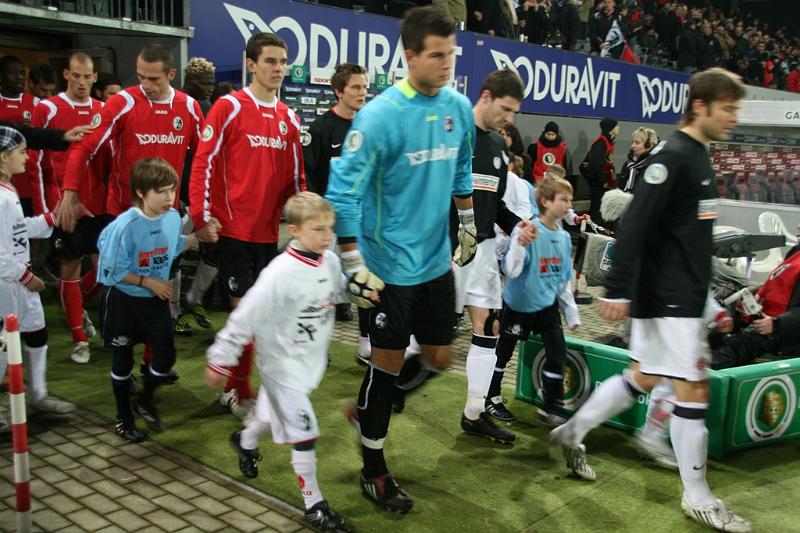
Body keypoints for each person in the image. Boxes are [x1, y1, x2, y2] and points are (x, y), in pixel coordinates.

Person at [549, 69, 752, 532]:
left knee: (644, 376)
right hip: (668, 299)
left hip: (677, 297)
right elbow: (637, 221)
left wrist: (708, 303)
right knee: (693, 390)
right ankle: (698, 496)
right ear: (700, 106)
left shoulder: (694, 155)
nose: (733, 118)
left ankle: (572, 432)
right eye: (728, 109)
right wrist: (618, 288)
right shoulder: (675, 156)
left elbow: (686, 240)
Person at [326, 6, 476, 513]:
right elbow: (342, 193)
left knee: (439, 358)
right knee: (384, 367)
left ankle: (377, 402)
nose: (446, 64)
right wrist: (351, 262)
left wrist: (469, 221)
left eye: (451, 55)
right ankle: (375, 469)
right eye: (436, 55)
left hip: (435, 265)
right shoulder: (380, 116)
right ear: (410, 55)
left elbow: (462, 171)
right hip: (385, 267)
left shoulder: (457, 107)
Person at [58, 44, 210, 370]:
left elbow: (204, 159)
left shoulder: (189, 107)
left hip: (166, 219)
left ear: (171, 74)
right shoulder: (123, 102)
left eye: (153, 79)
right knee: (123, 290)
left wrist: (200, 209)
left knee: (160, 295)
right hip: (124, 216)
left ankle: (151, 368)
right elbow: (85, 147)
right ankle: (118, 358)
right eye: (140, 76)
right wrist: (70, 193)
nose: (145, 85)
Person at [205, 192, 349, 531]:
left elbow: (337, 288)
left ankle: (245, 441)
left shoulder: (328, 261)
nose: (327, 236)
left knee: (272, 416)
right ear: (294, 230)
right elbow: (246, 315)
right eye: (318, 229)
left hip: (308, 363)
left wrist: (359, 288)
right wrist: (220, 358)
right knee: (305, 430)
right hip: (280, 364)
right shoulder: (279, 272)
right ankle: (314, 505)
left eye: (330, 228)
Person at [189, 32, 306, 419]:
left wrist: (304, 222)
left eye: (283, 61)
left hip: (268, 234)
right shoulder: (229, 107)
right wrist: (201, 216)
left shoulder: (289, 117)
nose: (278, 69)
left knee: (258, 314)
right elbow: (203, 162)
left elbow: (295, 180)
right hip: (232, 229)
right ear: (251, 65)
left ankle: (235, 382)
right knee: (247, 312)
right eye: (270, 61)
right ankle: (238, 390)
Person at [96, 158, 218, 442]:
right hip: (123, 301)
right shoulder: (124, 226)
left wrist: (198, 236)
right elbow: (111, 271)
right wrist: (148, 281)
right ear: (141, 192)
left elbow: (174, 246)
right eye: (161, 191)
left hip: (154, 299)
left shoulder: (173, 218)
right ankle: (124, 419)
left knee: (165, 358)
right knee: (122, 361)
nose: (168, 198)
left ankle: (146, 399)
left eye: (172, 191)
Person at [453, 69, 536, 444]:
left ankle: (474, 413)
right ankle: (385, 396)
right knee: (429, 341)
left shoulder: (497, 148)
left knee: (488, 329)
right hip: (450, 249)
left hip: (484, 251)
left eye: (514, 112)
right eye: (506, 109)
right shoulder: (455, 134)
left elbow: (495, 204)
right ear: (485, 96)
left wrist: (519, 225)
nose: (510, 119)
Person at [27, 52, 106, 364]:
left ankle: (79, 308)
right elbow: (35, 163)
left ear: (95, 77)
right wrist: (50, 208)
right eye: (77, 76)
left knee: (104, 267)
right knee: (70, 268)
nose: (83, 82)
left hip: (97, 205)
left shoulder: (103, 109)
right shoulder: (48, 109)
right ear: (66, 75)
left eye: (88, 77)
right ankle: (79, 337)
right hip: (65, 205)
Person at [0, 126, 75, 434]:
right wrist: (28, 277)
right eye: (21, 152)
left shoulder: (8, 191)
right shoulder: (1, 198)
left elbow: (16, 230)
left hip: (19, 280)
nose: (27, 158)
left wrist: (51, 219)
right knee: (3, 347)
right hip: (8, 283)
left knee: (36, 331)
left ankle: (39, 397)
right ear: (3, 157)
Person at [490, 175, 576, 426]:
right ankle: (490, 395)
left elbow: (563, 278)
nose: (569, 205)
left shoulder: (564, 238)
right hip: (519, 305)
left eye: (571, 200)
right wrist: (518, 243)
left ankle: (551, 408)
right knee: (503, 353)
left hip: (547, 307)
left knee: (558, 353)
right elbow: (511, 270)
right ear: (545, 202)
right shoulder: (527, 231)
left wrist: (572, 313)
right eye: (564, 200)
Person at [302, 63, 368, 326]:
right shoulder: (321, 128)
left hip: (362, 218)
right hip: (329, 220)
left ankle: (366, 342)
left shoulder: (370, 124)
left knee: (364, 276)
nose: (362, 92)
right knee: (321, 281)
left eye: (364, 86)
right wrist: (318, 215)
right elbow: (308, 174)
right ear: (338, 91)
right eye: (356, 87)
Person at [0, 55, 40, 217]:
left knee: (30, 224)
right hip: (4, 176)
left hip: (29, 179)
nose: (19, 78)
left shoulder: (36, 103)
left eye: (22, 73)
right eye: (12, 73)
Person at [584, 116, 618, 225]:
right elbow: (596, 164)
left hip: (602, 181)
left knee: (599, 207)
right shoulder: (601, 143)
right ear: (611, 128)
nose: (618, 128)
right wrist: (604, 180)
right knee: (596, 208)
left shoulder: (608, 141)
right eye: (616, 126)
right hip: (598, 182)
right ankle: (592, 230)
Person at [619, 127, 659, 193]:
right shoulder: (628, 164)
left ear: (649, 145)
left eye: (637, 143)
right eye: (633, 142)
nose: (632, 146)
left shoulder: (653, 168)